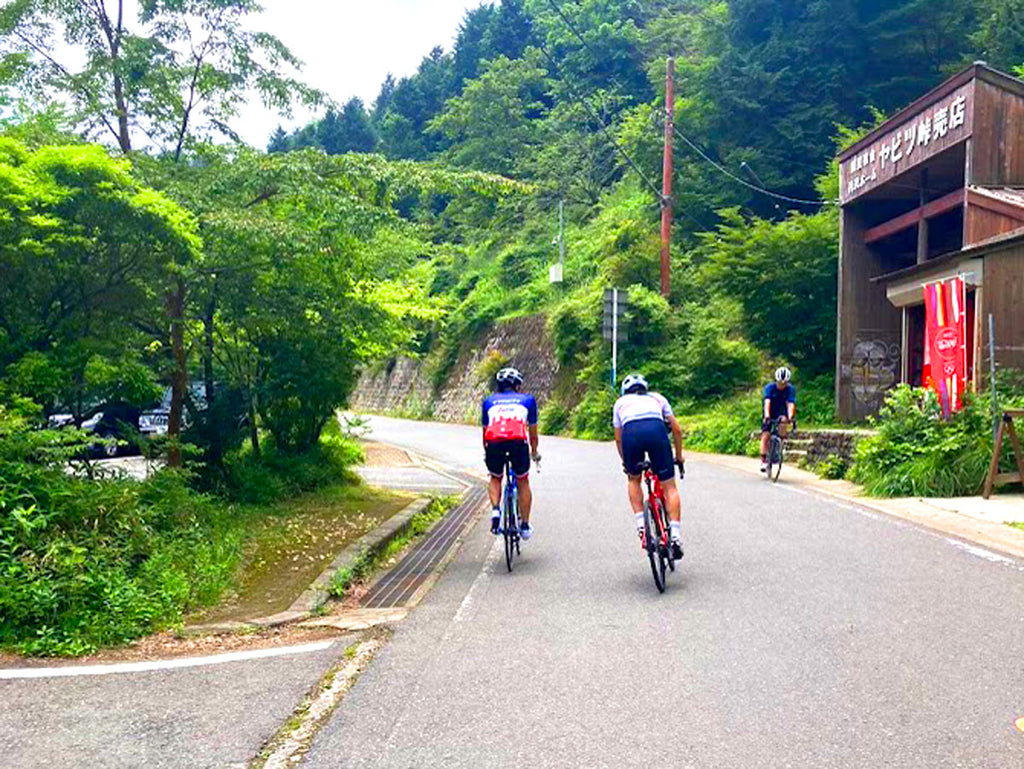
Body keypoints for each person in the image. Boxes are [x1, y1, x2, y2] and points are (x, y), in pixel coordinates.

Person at [612, 374, 685, 559]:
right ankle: (675, 537)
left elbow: (619, 438)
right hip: (656, 432)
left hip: (631, 435)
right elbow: (676, 429)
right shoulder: (658, 398)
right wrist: (678, 456)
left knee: (634, 480)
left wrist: (627, 463)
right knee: (669, 486)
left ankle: (642, 527)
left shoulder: (620, 403)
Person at [482, 367, 541, 539]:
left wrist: (487, 452)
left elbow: (485, 432)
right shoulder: (528, 400)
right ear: (517, 385)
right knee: (522, 480)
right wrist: (534, 452)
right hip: (517, 442)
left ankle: (495, 510)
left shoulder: (488, 401)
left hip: (494, 442)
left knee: (495, 477)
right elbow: (533, 433)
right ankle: (524, 525)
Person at [760, 366, 797, 473]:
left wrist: (790, 417)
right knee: (766, 435)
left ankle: (779, 447)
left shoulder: (790, 389)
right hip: (770, 409)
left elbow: (791, 404)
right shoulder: (770, 388)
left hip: (781, 410)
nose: (782, 385)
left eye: (784, 383)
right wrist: (767, 416)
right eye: (780, 383)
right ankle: (763, 460)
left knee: (784, 422)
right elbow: (767, 403)